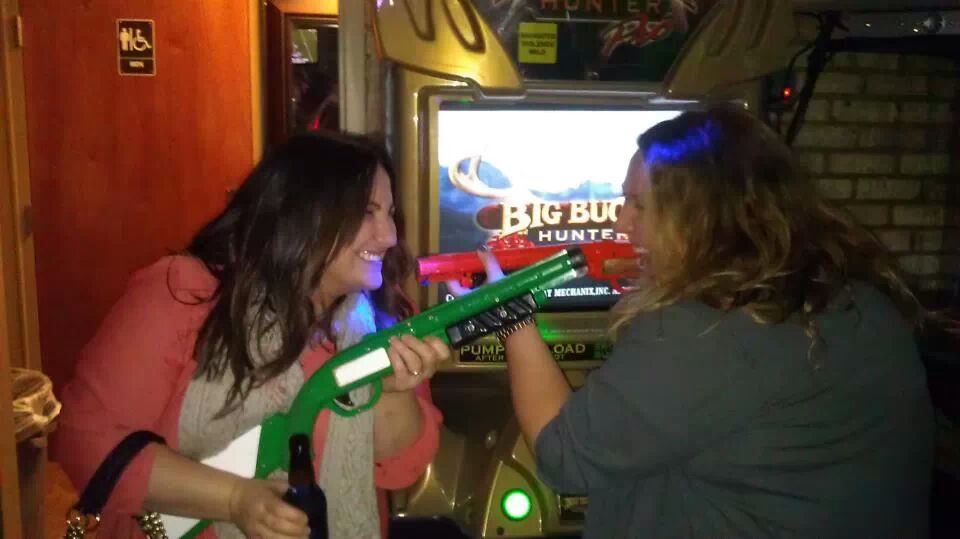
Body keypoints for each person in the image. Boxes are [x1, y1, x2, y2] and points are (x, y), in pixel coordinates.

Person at [461, 105, 937, 538]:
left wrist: (511, 316)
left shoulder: (705, 327)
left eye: (640, 204)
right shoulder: (857, 296)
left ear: (704, 215)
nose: (622, 224)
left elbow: (564, 455)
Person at [55, 131, 449, 538]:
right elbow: (87, 441)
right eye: (367, 212)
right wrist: (234, 500)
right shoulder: (184, 293)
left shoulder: (383, 314)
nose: (389, 236)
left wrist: (394, 391)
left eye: (390, 213)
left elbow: (399, 468)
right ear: (303, 213)